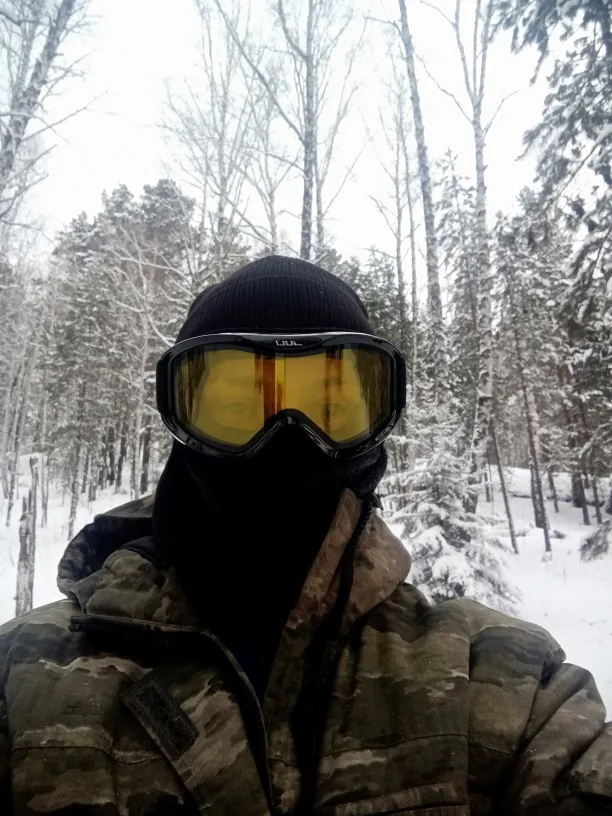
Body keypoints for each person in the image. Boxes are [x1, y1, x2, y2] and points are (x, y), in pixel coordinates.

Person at [0, 255, 610, 816]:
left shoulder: (497, 678)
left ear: (376, 421)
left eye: (329, 408)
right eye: (237, 407)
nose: (287, 436)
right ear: (180, 421)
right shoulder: (25, 678)